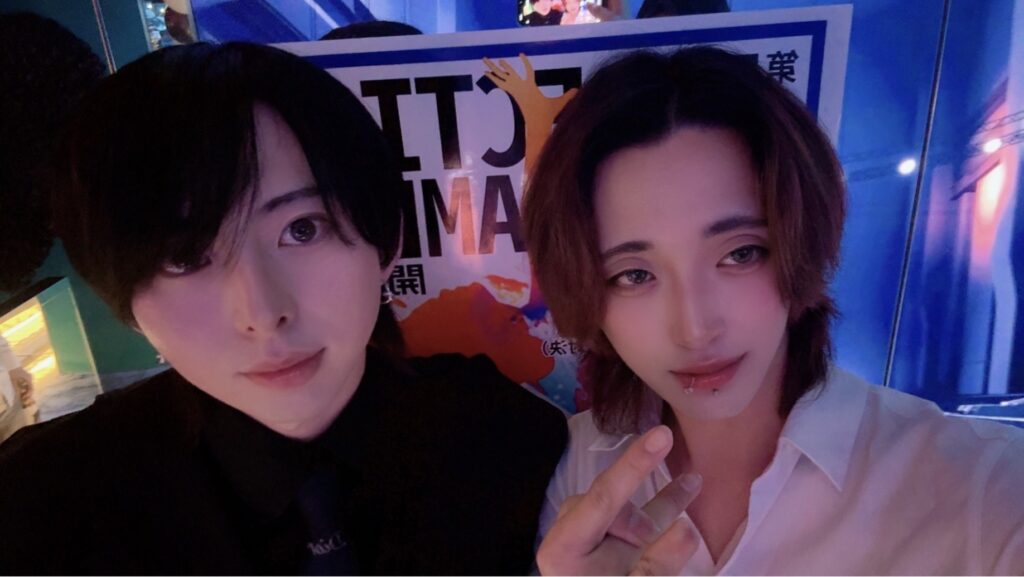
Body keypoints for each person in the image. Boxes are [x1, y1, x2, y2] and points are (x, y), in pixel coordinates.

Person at [0, 41, 567, 575]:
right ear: (122, 299)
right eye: (184, 257)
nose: (262, 312)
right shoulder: (44, 503)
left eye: (302, 229)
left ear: (387, 240)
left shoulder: (511, 440)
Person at [523, 45, 1024, 575]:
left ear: (798, 241)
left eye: (741, 254)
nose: (694, 329)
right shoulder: (579, 467)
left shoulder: (985, 489)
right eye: (634, 275)